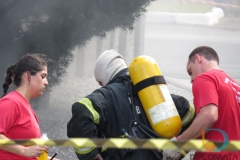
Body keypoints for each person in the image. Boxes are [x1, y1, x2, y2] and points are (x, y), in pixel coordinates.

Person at [67, 49, 195, 160]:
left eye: (100, 82)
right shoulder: (149, 91)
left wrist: (91, 155)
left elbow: (82, 111)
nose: (101, 86)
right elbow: (189, 113)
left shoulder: (107, 95)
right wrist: (178, 148)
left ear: (104, 76)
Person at [163, 46, 240, 159]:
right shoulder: (236, 86)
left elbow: (209, 115)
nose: (191, 80)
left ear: (198, 58)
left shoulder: (205, 78)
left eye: (190, 71)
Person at [0, 54, 59, 160]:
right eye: (43, 76)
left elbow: (29, 153)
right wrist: (24, 150)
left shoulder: (25, 106)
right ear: (27, 76)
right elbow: (25, 151)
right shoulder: (11, 102)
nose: (46, 82)